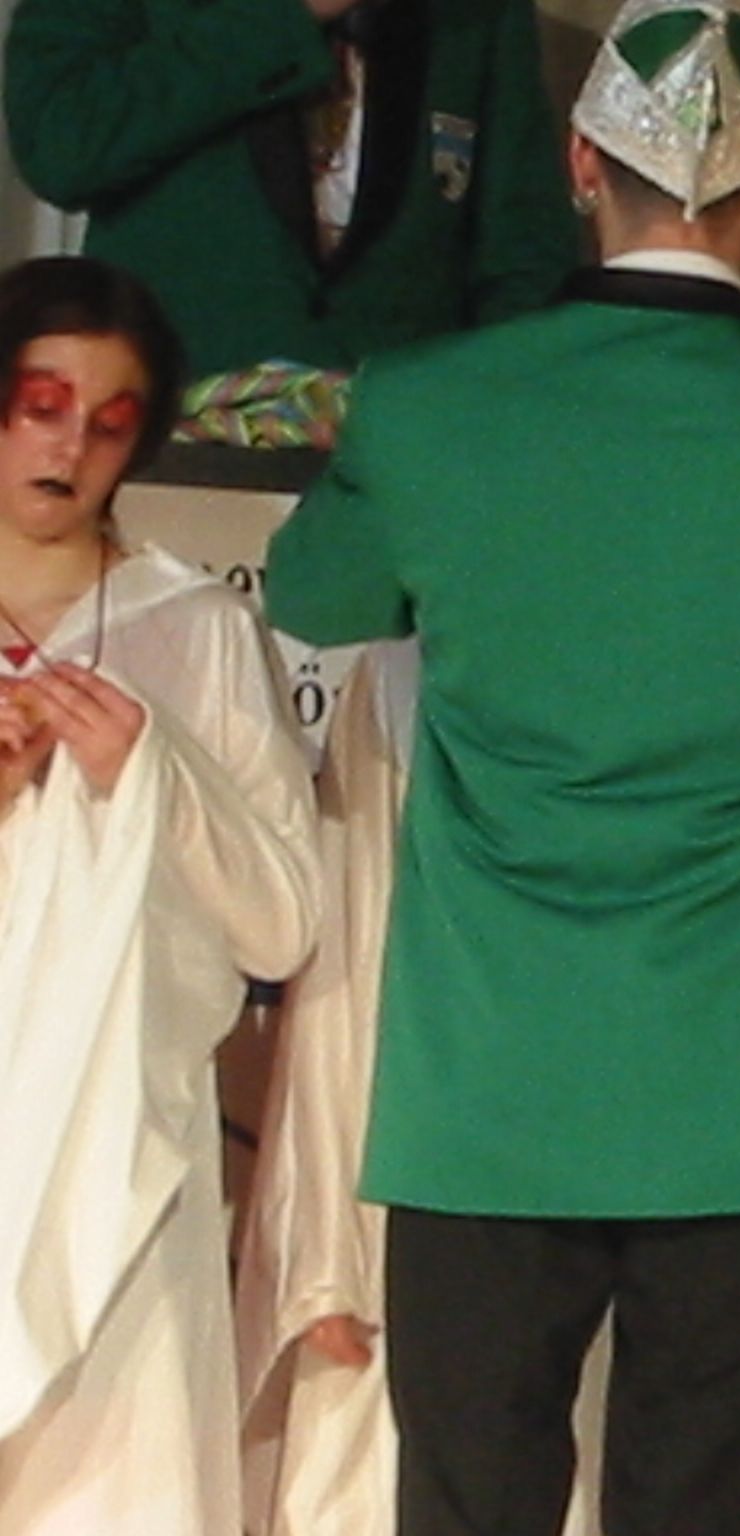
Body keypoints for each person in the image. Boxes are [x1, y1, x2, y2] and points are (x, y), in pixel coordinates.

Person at [261, 5, 740, 1533]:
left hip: (494, 1083)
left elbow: (314, 593)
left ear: (578, 162)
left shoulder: (433, 403)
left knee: (470, 1509)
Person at [0, 254, 319, 1535]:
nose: (70, 445)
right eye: (42, 404)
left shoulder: (193, 627)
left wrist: (153, 770)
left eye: (110, 420)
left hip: (124, 1152)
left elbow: (282, 919)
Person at [235, 641, 607, 1536]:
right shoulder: (404, 675)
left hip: (637, 1188)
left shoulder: (699, 655)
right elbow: (349, 965)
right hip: (424, 1179)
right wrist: (324, 1250)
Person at [3, 0, 578, 377]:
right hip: (173, 430)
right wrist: (288, 14)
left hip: (395, 458)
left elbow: (524, 251)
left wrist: (476, 413)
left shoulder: (480, 11)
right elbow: (60, 147)